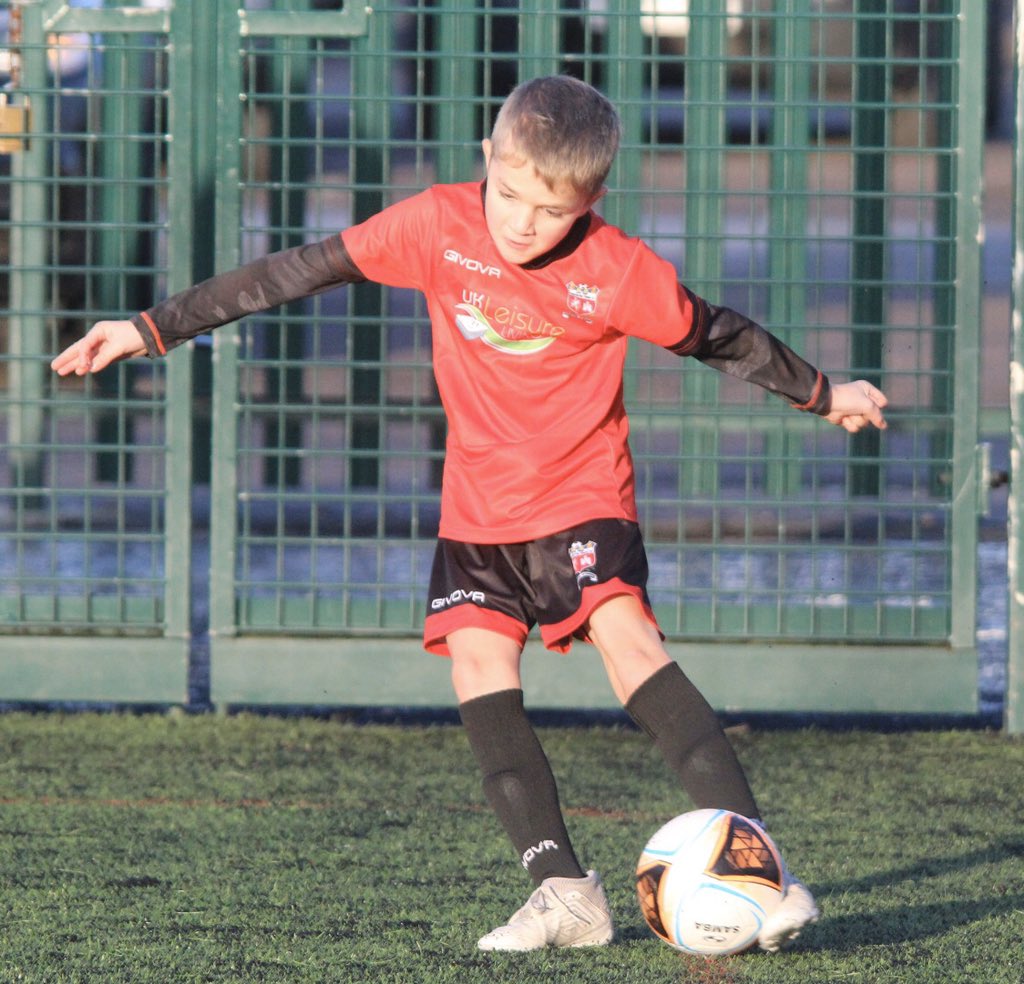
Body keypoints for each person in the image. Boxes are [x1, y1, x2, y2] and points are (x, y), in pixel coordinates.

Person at [52, 75, 887, 954]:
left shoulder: (618, 270)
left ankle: (765, 876)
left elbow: (719, 333)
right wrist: (150, 328)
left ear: (592, 200)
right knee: (479, 669)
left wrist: (824, 394)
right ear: (487, 158)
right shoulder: (435, 225)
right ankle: (564, 892)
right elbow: (292, 273)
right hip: (476, 508)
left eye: (550, 209)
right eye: (510, 192)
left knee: (628, 640)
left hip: (581, 497)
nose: (522, 222)